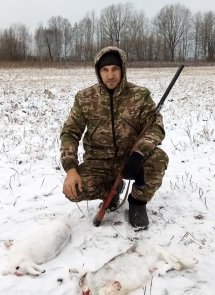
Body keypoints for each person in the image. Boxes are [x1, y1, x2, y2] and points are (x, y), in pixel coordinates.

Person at [60, 46, 168, 228]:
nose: (110, 75)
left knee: (158, 159)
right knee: (74, 191)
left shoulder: (140, 95)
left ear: (123, 69)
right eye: (105, 70)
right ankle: (112, 190)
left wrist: (138, 153)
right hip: (99, 161)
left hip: (131, 158)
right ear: (98, 72)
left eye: (115, 69)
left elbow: (156, 127)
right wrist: (70, 168)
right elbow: (70, 132)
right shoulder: (85, 98)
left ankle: (137, 202)